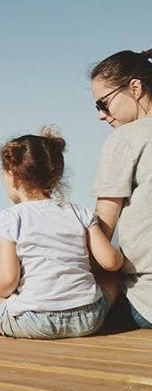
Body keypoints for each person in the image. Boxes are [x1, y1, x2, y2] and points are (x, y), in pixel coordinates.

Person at [0, 128, 122, 339]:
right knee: (112, 279)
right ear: (55, 175)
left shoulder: (10, 218)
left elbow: (9, 281)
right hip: (87, 317)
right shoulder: (79, 212)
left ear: (13, 176)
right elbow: (111, 261)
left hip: (34, 321)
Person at [91, 48, 152, 329]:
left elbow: (104, 225)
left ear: (135, 88)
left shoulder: (126, 139)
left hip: (145, 302)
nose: (101, 115)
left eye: (103, 104)